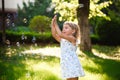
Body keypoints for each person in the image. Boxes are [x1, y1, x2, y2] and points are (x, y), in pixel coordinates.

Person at [51, 15, 85, 80]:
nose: (63, 29)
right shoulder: (63, 40)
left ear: (73, 31)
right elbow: (54, 35)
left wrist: (56, 24)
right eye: (63, 28)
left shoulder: (72, 39)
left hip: (72, 63)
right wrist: (53, 25)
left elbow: (60, 34)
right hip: (66, 63)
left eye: (66, 28)